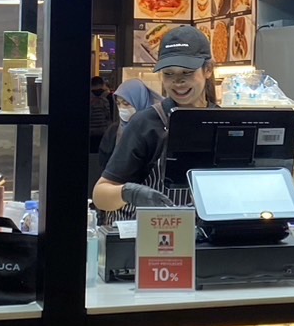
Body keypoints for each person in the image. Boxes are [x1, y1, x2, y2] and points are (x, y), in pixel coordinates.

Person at [93, 27, 218, 216]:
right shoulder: (146, 123)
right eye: (168, 73)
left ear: (208, 70)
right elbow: (100, 195)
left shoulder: (223, 122)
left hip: (206, 233)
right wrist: (129, 193)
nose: (177, 81)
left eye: (186, 72)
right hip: (153, 231)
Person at [97, 80, 159, 170]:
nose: (122, 108)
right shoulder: (113, 130)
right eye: (118, 103)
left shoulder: (155, 130)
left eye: (126, 103)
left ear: (140, 101)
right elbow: (104, 160)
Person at [89, 76, 115, 154]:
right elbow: (112, 115)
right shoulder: (110, 97)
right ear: (103, 84)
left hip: (90, 132)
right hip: (106, 132)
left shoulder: (88, 96)